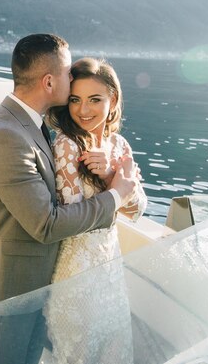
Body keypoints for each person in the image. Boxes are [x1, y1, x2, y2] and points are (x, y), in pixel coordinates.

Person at [0, 34, 138, 364]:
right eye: (67, 73)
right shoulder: (6, 135)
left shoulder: (33, 124)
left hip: (42, 283)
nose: (71, 77)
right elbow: (45, 223)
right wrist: (116, 196)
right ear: (49, 81)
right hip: (9, 290)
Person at [44, 57, 148, 363]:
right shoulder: (67, 145)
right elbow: (73, 217)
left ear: (112, 99)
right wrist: (116, 188)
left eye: (94, 99)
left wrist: (109, 174)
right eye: (75, 99)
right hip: (74, 272)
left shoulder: (120, 146)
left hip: (110, 267)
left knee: (114, 350)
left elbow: (137, 209)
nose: (83, 110)